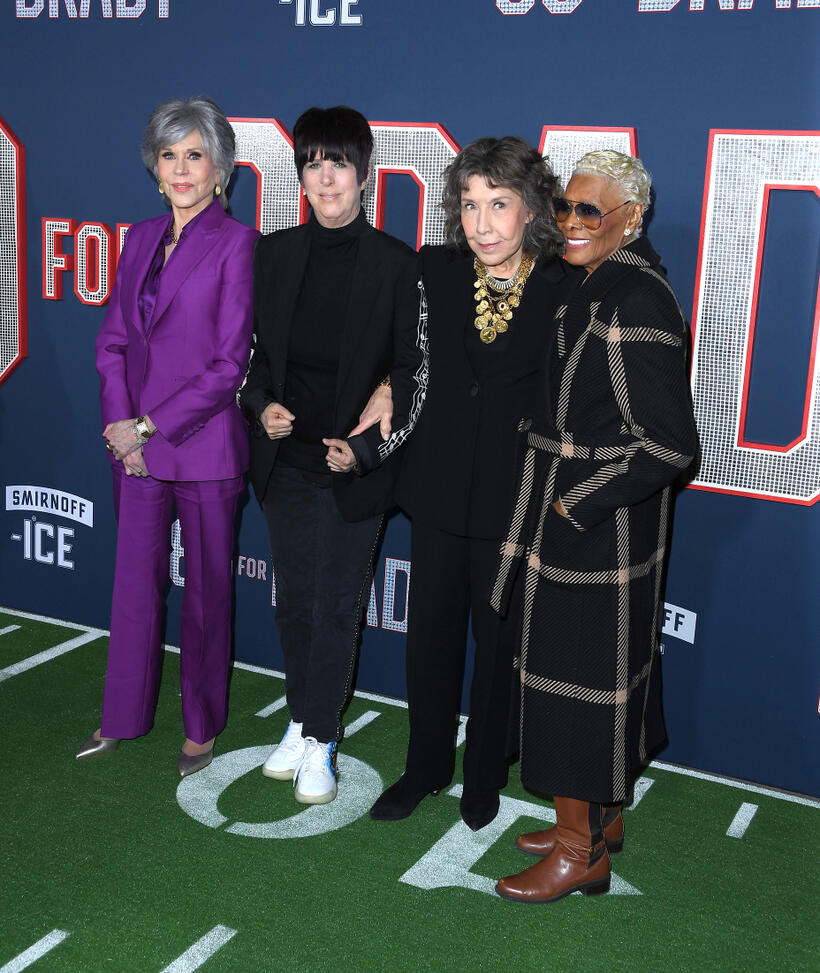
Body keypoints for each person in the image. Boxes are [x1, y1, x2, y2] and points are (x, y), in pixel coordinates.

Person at [492, 150, 698, 903]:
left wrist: (576, 502)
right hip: (587, 521)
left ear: (631, 219)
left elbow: (671, 445)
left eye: (590, 212)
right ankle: (596, 819)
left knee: (574, 690)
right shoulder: (601, 282)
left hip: (596, 530)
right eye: (566, 208)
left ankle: (580, 852)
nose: (570, 224)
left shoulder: (633, 300)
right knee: (574, 684)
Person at [369, 137, 575, 831]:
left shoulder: (562, 285)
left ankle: (484, 776)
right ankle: (424, 767)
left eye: (499, 204)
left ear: (531, 210)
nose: (482, 223)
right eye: (469, 204)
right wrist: (381, 389)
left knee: (498, 648)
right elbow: (399, 354)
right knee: (428, 638)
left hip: (514, 503)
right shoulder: (435, 270)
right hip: (435, 488)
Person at [238, 106, 427, 806]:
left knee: (337, 606)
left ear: (364, 172)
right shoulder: (275, 254)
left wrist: (368, 448)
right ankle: (299, 717)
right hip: (285, 464)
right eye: (313, 163)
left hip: (352, 471)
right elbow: (252, 363)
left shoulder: (397, 266)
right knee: (295, 606)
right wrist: (263, 409)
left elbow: (412, 375)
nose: (325, 177)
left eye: (338, 163)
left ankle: (323, 737)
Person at [76, 97, 257, 777]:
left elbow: (228, 363)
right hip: (134, 451)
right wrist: (123, 428)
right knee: (134, 586)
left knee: (209, 594)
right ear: (155, 167)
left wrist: (148, 425)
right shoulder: (141, 237)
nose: (181, 168)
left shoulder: (238, 245)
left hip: (203, 448)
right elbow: (113, 341)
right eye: (169, 155)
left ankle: (202, 726)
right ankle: (121, 715)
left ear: (220, 171)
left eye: (195, 155)